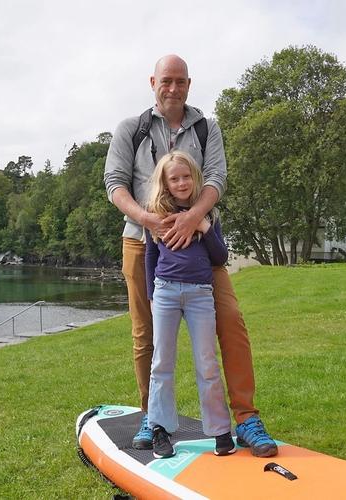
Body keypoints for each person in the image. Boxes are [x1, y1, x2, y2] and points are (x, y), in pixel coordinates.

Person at [104, 54, 278, 458]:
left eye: (180, 81)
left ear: (188, 84)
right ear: (153, 82)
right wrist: (151, 220)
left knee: (231, 323)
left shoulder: (206, 127)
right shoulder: (131, 129)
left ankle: (246, 419)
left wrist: (195, 217)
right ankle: (153, 416)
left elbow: (216, 177)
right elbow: (114, 184)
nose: (173, 88)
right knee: (147, 336)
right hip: (146, 242)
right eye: (167, 80)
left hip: (202, 244)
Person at [145, 150, 235, 458]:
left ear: (194, 178)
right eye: (174, 178)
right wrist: (151, 295)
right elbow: (151, 257)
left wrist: (204, 228)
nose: (181, 182)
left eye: (186, 176)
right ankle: (159, 429)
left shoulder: (207, 214)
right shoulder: (156, 214)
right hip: (165, 293)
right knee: (162, 362)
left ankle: (220, 431)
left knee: (207, 362)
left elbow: (220, 258)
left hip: (200, 295)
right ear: (165, 183)